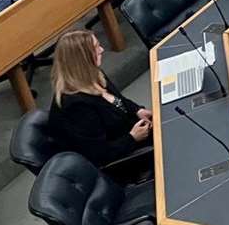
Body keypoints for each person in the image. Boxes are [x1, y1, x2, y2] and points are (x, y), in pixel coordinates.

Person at [47, 29, 152, 174]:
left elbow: (118, 100)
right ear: (82, 59)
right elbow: (99, 154)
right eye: (96, 48)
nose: (102, 50)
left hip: (131, 132)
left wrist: (137, 110)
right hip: (124, 159)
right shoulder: (75, 107)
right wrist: (132, 138)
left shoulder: (93, 74)